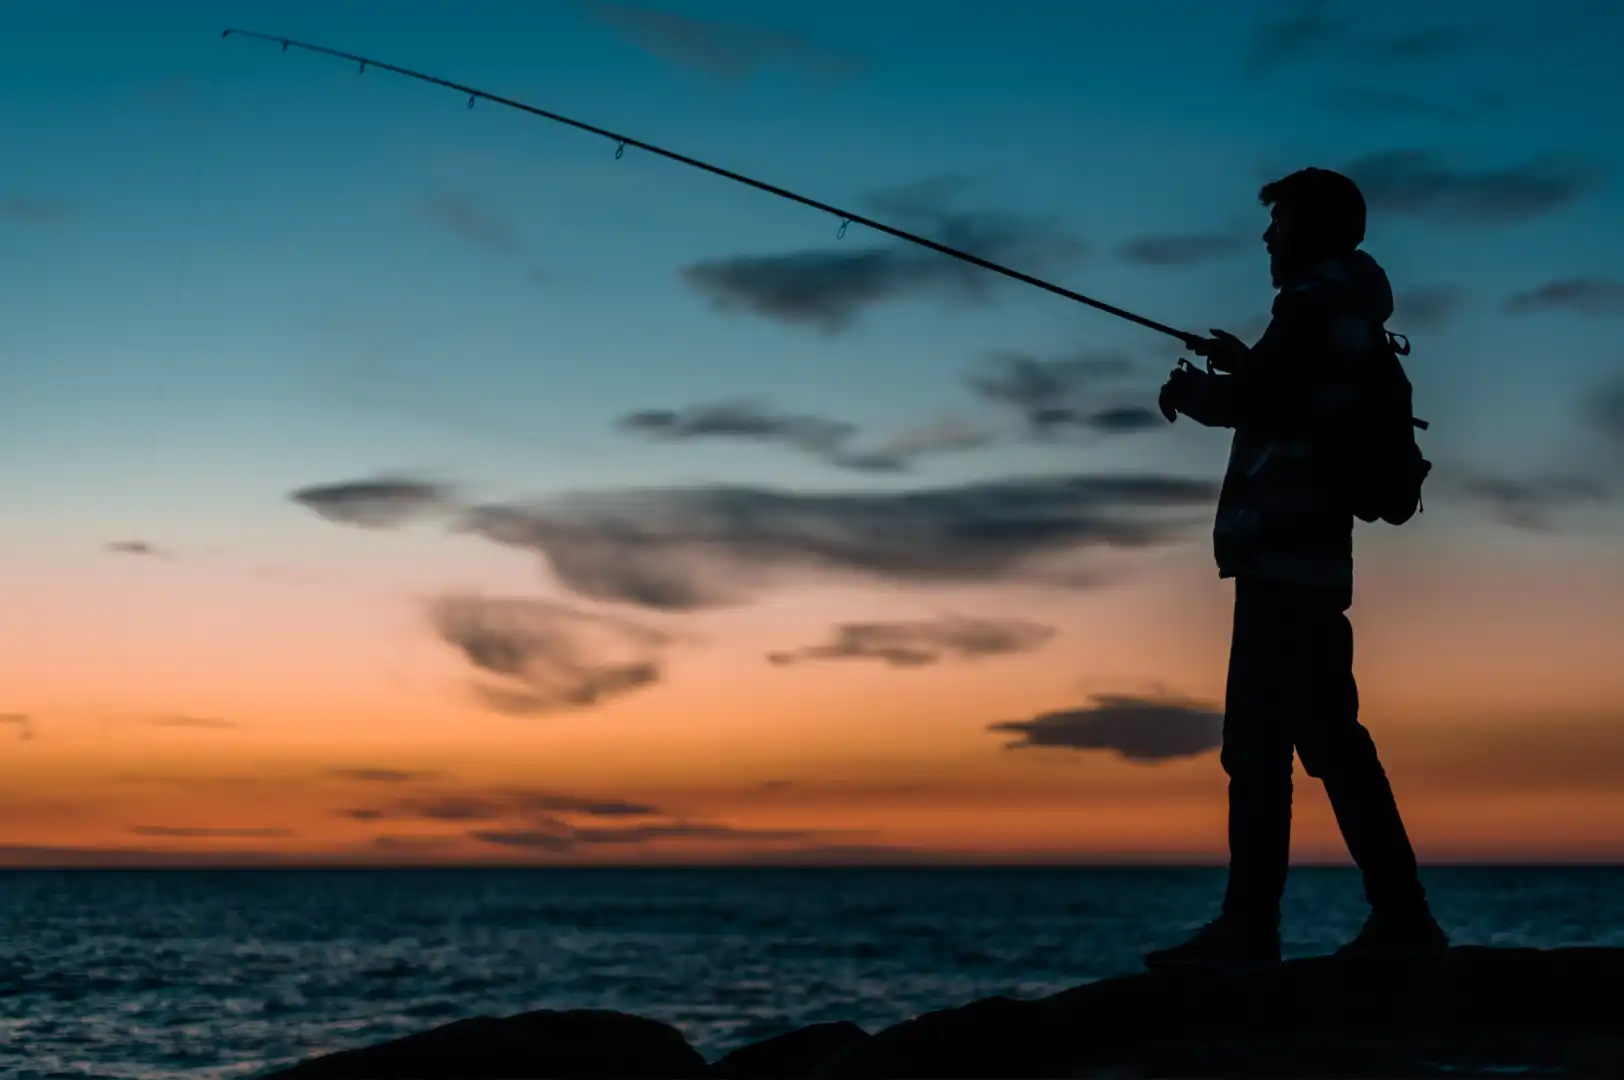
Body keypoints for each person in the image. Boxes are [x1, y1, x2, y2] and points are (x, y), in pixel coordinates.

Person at [1145, 167, 1449, 973]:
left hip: (1283, 550)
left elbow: (1269, 403)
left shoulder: (1312, 303)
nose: (1267, 238)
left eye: (1279, 222)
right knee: (1328, 739)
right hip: (1314, 554)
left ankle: (1251, 933)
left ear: (1313, 228)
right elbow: (1296, 388)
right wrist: (1245, 364)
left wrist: (1198, 392)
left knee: (1258, 745)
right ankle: (1402, 917)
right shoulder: (1346, 308)